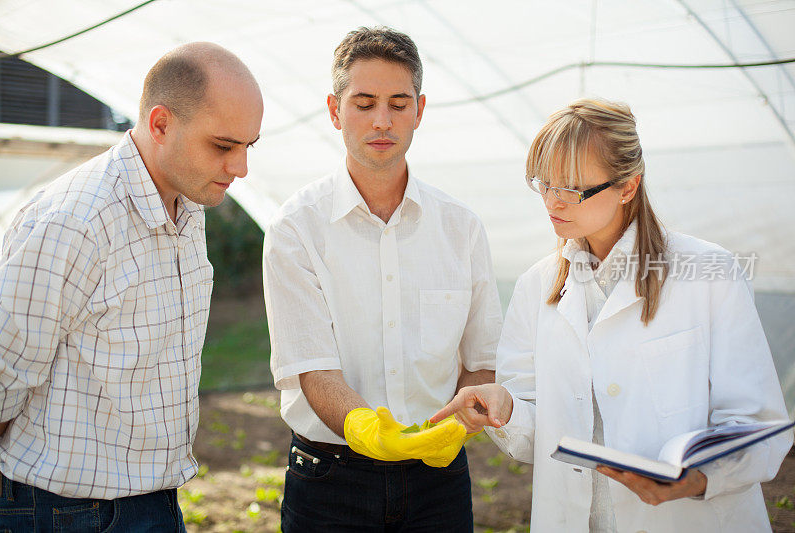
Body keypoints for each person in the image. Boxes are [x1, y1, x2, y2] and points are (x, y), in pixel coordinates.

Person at [432, 98, 792, 532]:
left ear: (627, 186)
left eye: (571, 188)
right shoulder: (536, 288)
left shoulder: (708, 274)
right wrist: (505, 408)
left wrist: (696, 480)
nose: (553, 201)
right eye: (544, 183)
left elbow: (757, 425)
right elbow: (536, 433)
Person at [0, 42, 263, 531]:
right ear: (160, 124)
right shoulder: (74, 221)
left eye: (249, 146)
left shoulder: (188, 203)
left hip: (155, 503)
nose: (240, 168)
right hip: (62, 513)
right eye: (224, 146)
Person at [262, 26, 503, 532]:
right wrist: (367, 429)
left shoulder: (461, 227)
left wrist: (463, 417)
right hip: (330, 483)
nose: (382, 121)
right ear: (334, 111)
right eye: (364, 103)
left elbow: (481, 363)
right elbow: (313, 371)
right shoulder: (295, 228)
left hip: (437, 479)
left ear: (419, 110)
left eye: (398, 103)